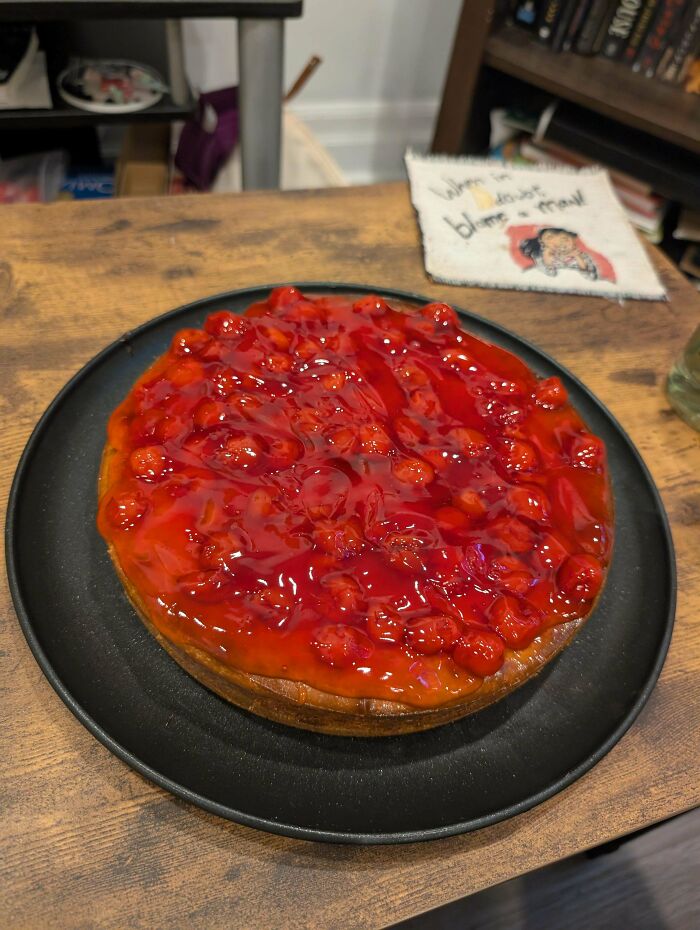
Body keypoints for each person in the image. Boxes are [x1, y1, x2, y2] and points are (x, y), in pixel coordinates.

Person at [519, 227, 599, 280]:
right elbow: (549, 275)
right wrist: (547, 260)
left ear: (573, 239)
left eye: (565, 239)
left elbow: (591, 277)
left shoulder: (583, 256)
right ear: (543, 245)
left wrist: (578, 257)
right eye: (550, 239)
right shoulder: (542, 259)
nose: (560, 243)